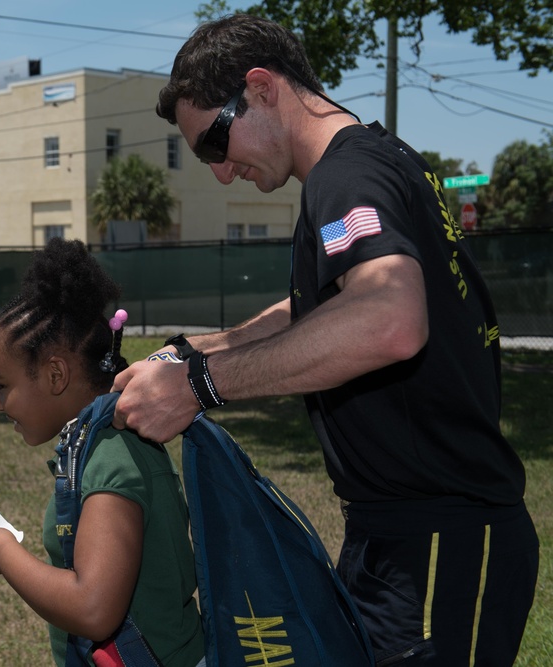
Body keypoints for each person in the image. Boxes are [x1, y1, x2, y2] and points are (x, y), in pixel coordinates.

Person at [111, 14, 539, 667]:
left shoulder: (347, 177)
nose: (221, 173)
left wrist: (201, 385)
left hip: (440, 541)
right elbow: (320, 307)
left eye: (214, 144)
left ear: (262, 88)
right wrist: (197, 349)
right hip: (393, 537)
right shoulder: (372, 162)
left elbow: (389, 318)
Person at [0, 237, 205, 667]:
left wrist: (3, 552)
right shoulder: (97, 445)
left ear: (56, 373)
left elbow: (94, 609)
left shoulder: (112, 458)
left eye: (2, 385)